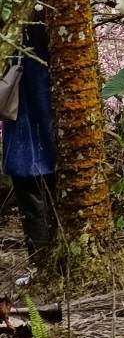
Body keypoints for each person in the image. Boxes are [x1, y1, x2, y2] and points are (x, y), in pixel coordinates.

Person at [3, 23, 58, 271]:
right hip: (42, 127)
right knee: (43, 191)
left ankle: (42, 264)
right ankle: (44, 264)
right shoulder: (47, 26)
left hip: (29, 129)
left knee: (34, 192)